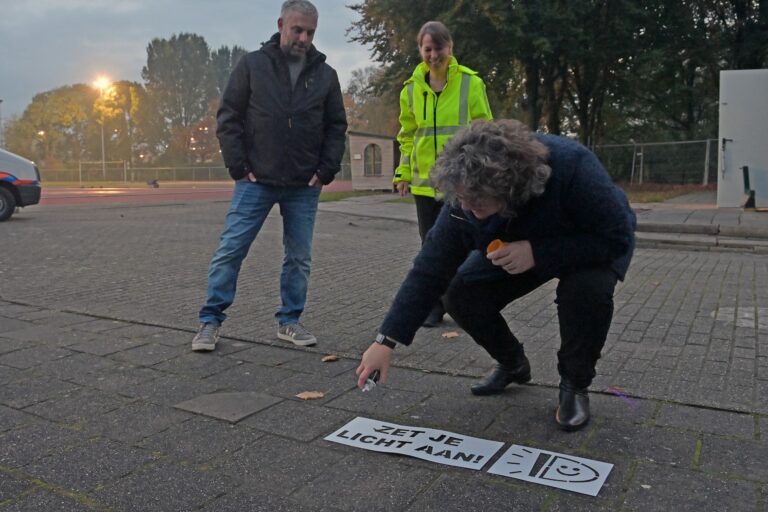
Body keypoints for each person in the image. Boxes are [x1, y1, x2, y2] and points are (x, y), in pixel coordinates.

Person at [357, 120, 636, 431]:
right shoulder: (464, 198)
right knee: (459, 293)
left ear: (511, 188)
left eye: (475, 202)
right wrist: (386, 340)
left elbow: (617, 238)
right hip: (515, 241)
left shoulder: (574, 166)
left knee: (587, 292)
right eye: (460, 198)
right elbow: (429, 270)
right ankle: (513, 363)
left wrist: (538, 253)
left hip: (588, 243)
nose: (464, 207)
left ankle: (575, 384)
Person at [191, 0, 347, 352]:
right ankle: (210, 321)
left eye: (310, 32)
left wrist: (326, 170)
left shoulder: (326, 75)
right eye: (297, 30)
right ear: (281, 24)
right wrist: (238, 166)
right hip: (255, 181)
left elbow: (337, 126)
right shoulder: (252, 66)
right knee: (231, 249)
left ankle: (289, 321)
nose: (303, 38)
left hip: (303, 185)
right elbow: (228, 116)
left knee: (299, 257)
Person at [393, 21, 493, 327]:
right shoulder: (410, 90)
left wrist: (480, 174)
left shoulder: (470, 84)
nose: (433, 55)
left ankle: (463, 303)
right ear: (420, 50)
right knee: (431, 247)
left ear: (450, 48)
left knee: (465, 244)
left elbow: (484, 130)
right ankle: (435, 307)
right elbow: (407, 136)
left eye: (439, 48)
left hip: (461, 184)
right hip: (426, 185)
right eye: (428, 49)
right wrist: (403, 172)